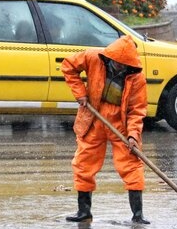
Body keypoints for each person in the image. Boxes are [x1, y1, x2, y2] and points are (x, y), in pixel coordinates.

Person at [61, 35, 149, 224]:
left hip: (120, 123)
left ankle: (138, 215)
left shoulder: (136, 78)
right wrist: (80, 93)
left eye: (123, 65)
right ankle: (84, 211)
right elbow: (68, 66)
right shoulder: (93, 57)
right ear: (110, 57)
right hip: (94, 117)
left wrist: (133, 135)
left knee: (131, 165)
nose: (119, 67)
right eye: (117, 63)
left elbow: (137, 110)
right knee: (84, 164)